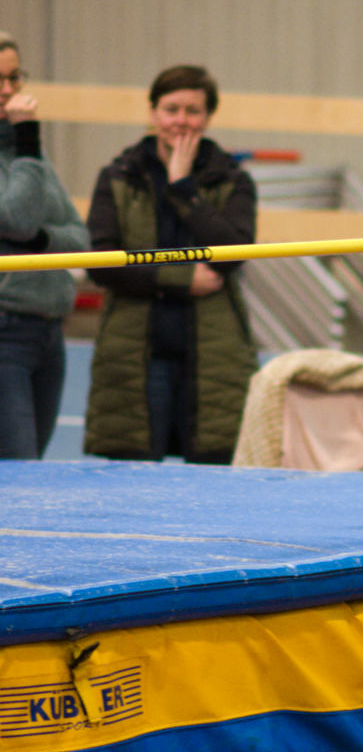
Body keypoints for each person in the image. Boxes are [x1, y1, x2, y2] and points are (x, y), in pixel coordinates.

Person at [84, 64, 257, 463]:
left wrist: (183, 192)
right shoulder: (116, 176)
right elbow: (102, 263)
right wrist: (181, 279)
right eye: (171, 109)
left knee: (213, 485)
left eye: (192, 111)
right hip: (135, 357)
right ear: (152, 113)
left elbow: (235, 251)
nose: (181, 120)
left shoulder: (235, 180)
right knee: (131, 484)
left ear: (208, 117)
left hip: (215, 357)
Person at [0, 32, 90, 459]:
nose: (9, 91)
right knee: (18, 469)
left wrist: (39, 239)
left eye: (15, 78)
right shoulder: (28, 143)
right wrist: (29, 141)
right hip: (5, 331)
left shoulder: (24, 149)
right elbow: (14, 217)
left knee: (35, 473)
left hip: (49, 330)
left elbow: (79, 237)